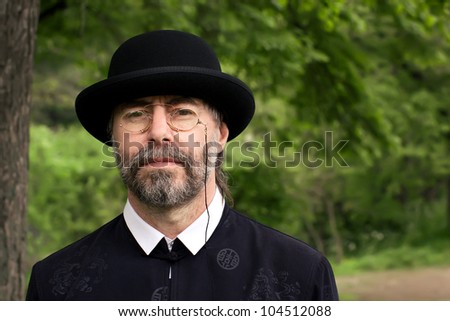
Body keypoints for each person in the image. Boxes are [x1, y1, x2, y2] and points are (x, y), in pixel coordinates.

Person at [26, 30, 339, 301]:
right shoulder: (55, 285)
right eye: (136, 114)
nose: (159, 132)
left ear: (220, 134)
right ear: (113, 138)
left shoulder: (299, 276)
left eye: (183, 112)